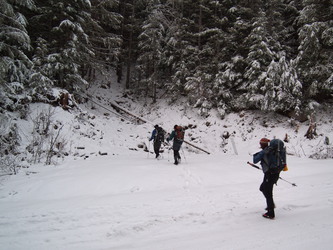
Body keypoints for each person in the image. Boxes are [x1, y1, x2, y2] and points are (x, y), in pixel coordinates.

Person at [253, 138, 280, 219]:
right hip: (274, 173)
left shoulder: (266, 151)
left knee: (268, 193)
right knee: (262, 188)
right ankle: (271, 205)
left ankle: (271, 213)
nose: (260, 145)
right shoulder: (273, 150)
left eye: (261, 143)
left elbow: (255, 160)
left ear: (264, 144)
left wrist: (261, 153)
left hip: (270, 174)